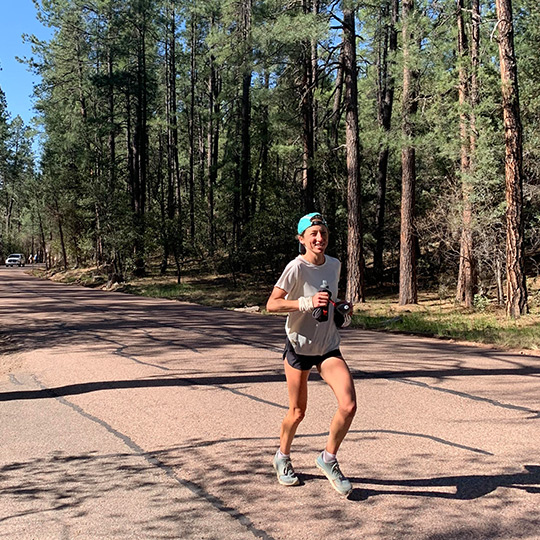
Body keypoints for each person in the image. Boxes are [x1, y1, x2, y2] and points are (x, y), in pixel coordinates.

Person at [266, 212, 357, 496]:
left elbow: (328, 298)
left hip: (327, 346)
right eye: (313, 234)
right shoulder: (296, 267)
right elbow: (271, 304)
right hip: (299, 347)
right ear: (302, 239)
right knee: (297, 412)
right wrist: (306, 302)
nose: (319, 238)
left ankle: (327, 458)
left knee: (349, 405)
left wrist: (341, 307)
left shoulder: (334, 264)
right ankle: (282, 457)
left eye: (323, 233)